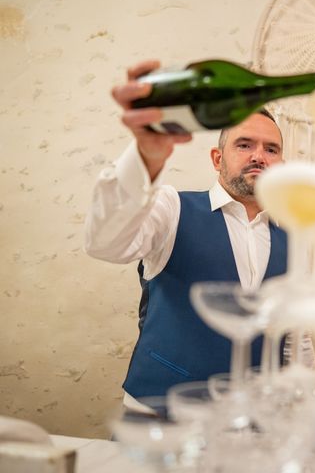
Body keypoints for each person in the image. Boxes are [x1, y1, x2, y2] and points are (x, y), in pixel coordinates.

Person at [84, 60, 295, 411]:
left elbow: (292, 339)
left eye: (271, 149)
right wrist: (145, 156)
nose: (259, 155)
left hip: (253, 429)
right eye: (244, 144)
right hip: (161, 418)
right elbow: (106, 244)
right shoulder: (172, 207)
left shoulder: (296, 237)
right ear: (217, 158)